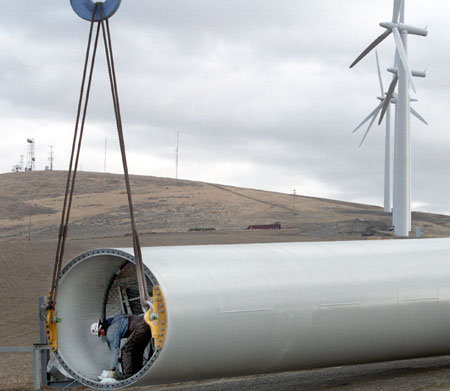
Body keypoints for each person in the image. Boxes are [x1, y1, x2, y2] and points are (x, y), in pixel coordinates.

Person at [90, 313, 152, 380]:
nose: (102, 335)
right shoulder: (114, 320)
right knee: (136, 351)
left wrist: (112, 369)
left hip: (140, 328)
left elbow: (115, 351)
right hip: (146, 323)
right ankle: (138, 372)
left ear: (101, 328)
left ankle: (129, 376)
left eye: (100, 333)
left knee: (126, 350)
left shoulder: (111, 330)